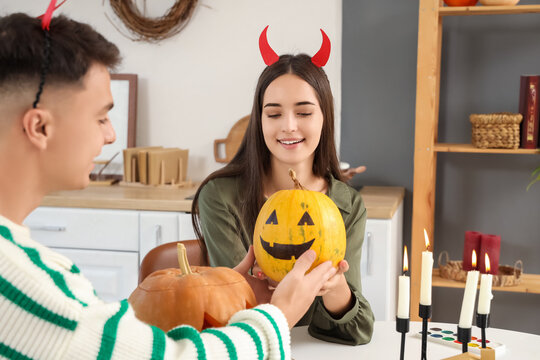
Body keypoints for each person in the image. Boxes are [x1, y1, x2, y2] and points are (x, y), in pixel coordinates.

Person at [0, 11, 339, 360]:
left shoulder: (32, 269)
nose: (111, 134)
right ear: (39, 127)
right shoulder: (20, 283)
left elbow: (103, 336)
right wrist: (278, 316)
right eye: (101, 117)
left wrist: (231, 288)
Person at [192, 28, 375, 346]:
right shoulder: (220, 196)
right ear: (259, 120)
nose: (288, 125)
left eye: (303, 112)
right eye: (274, 113)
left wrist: (335, 288)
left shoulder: (347, 204)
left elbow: (357, 331)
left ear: (324, 118)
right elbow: (232, 311)